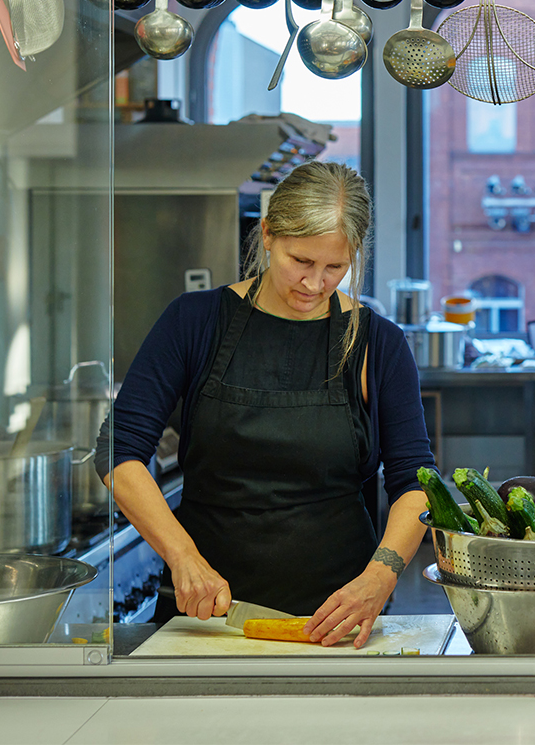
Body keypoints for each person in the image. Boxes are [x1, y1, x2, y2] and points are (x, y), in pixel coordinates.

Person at [96, 162, 435, 647]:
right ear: (268, 234)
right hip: (205, 613)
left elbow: (416, 481)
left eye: (335, 268)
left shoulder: (378, 343)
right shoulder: (193, 322)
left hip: (338, 619)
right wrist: (183, 557)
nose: (315, 285)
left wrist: (381, 576)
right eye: (301, 261)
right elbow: (118, 449)